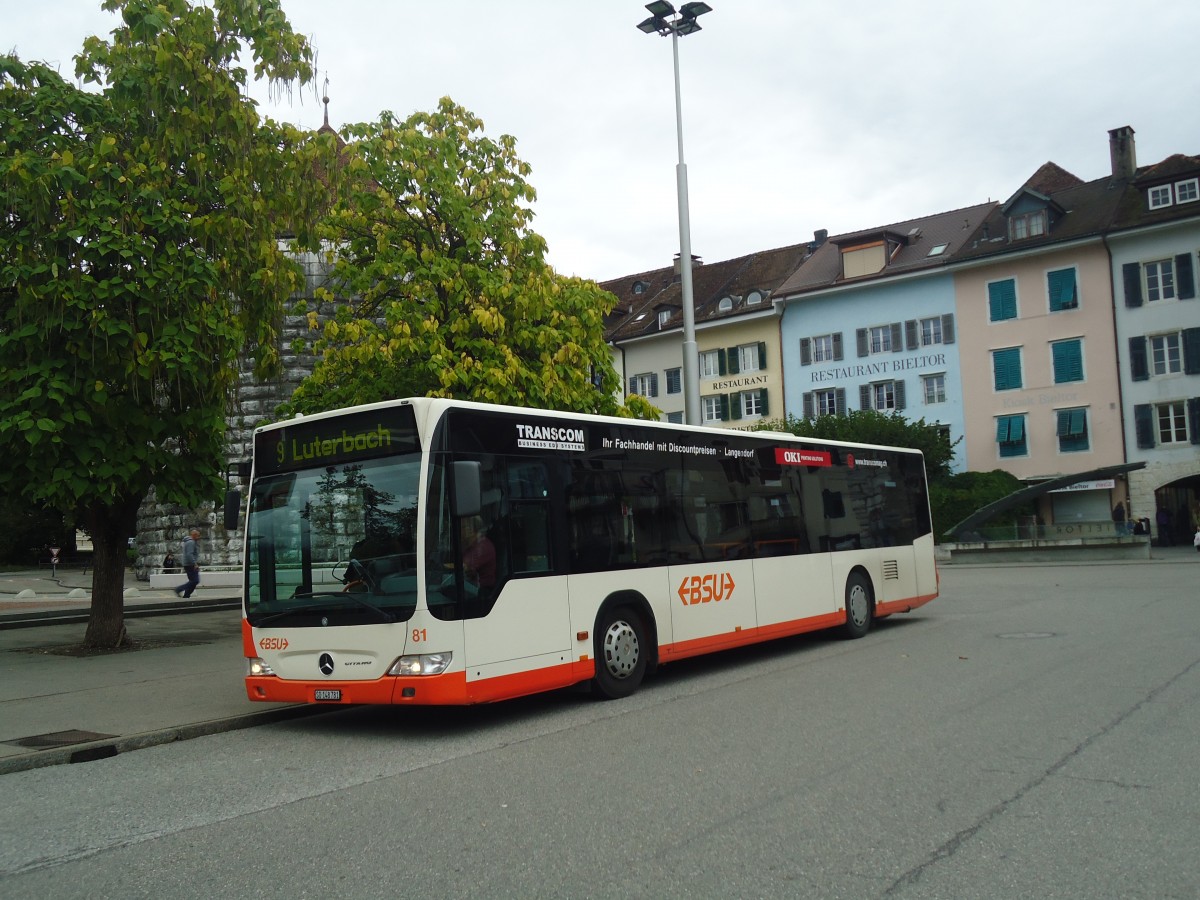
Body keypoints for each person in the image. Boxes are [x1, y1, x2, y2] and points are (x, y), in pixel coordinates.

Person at [461, 516, 496, 594]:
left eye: (463, 527)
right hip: (472, 585)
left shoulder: (483, 546)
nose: (460, 530)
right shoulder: (473, 544)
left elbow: (465, 568)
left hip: (483, 591)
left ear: (470, 529)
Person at [174, 529, 201, 598]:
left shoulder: (190, 542)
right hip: (190, 564)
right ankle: (179, 589)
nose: (199, 537)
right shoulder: (191, 542)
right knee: (195, 581)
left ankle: (187, 595)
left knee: (193, 581)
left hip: (188, 564)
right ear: (194, 535)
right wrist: (195, 563)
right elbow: (189, 554)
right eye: (198, 536)